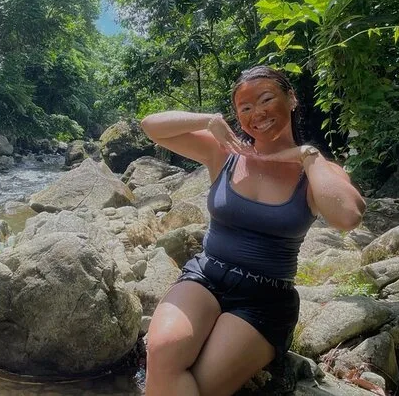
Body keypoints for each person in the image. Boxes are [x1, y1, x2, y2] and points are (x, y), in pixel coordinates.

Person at [139, 65, 366, 396]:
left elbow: (348, 216)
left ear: (292, 99)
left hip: (265, 298)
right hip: (205, 276)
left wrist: (307, 155)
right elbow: (151, 126)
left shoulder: (316, 171)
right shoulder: (225, 153)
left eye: (266, 99)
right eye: (245, 108)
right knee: (161, 354)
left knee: (201, 385)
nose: (257, 113)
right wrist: (208, 120)